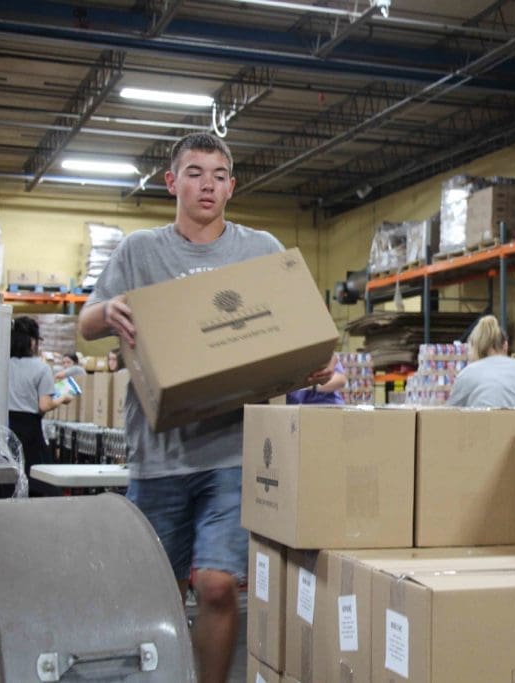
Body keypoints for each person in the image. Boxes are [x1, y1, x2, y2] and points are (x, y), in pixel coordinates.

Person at [77, 132, 331, 683]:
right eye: (194, 173)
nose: (207, 185)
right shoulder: (140, 252)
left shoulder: (259, 249)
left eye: (218, 175)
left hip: (233, 451)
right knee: (155, 591)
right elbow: (85, 324)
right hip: (158, 451)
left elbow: (301, 330)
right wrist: (110, 312)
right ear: (172, 182)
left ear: (232, 186)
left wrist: (318, 365)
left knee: (216, 585)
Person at [7, 316, 71, 496]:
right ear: (33, 342)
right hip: (30, 430)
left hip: (5, 427)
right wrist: (62, 398)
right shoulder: (41, 368)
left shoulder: (3, 363)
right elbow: (44, 405)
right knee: (40, 480)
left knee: (10, 476)